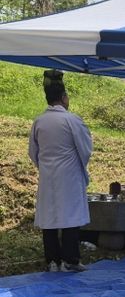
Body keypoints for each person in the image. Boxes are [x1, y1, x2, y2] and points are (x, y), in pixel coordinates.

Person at [29, 70, 92, 272]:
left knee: (49, 217)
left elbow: (33, 152)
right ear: (64, 97)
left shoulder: (39, 121)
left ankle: (52, 261)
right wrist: (77, 165)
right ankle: (71, 259)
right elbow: (85, 149)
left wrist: (45, 166)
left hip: (48, 176)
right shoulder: (72, 120)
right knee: (70, 216)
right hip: (69, 175)